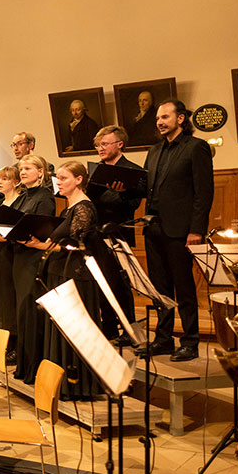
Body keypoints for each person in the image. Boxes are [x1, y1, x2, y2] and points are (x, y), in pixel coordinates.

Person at [138, 99, 213, 362]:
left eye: (165, 117)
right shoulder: (155, 150)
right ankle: (163, 338)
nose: (159, 122)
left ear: (181, 118)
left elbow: (203, 193)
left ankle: (190, 341)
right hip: (154, 226)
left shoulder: (196, 148)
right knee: (160, 288)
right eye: (158, 118)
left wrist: (197, 230)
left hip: (181, 229)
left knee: (183, 287)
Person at [22, 162, 102, 399]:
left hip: (75, 276)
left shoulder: (84, 208)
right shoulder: (68, 209)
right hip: (60, 273)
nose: (59, 182)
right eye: (58, 178)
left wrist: (43, 245)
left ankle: (77, 386)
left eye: (64, 178)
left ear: (78, 180)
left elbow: (74, 243)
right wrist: (39, 243)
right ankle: (61, 384)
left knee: (74, 331)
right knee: (60, 330)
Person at [88, 126, 145, 344]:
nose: (100, 149)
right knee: (101, 283)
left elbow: (134, 202)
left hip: (118, 231)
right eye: (97, 145)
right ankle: (109, 327)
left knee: (119, 283)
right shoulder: (96, 170)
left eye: (104, 144)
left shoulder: (131, 170)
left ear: (119, 144)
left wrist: (121, 193)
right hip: (96, 232)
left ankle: (129, 330)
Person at [11, 154, 55, 372]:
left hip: (33, 258)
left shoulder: (44, 196)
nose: (23, 171)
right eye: (21, 168)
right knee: (22, 311)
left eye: (28, 168)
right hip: (20, 256)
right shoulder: (23, 196)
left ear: (41, 172)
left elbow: (43, 228)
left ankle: (33, 367)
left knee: (30, 310)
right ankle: (24, 365)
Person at [0, 164, 21, 345]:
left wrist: (5, 237)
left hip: (12, 252)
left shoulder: (19, 202)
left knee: (10, 296)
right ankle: (2, 340)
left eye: (5, 179)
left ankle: (13, 341)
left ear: (16, 182)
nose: (0, 182)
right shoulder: (0, 203)